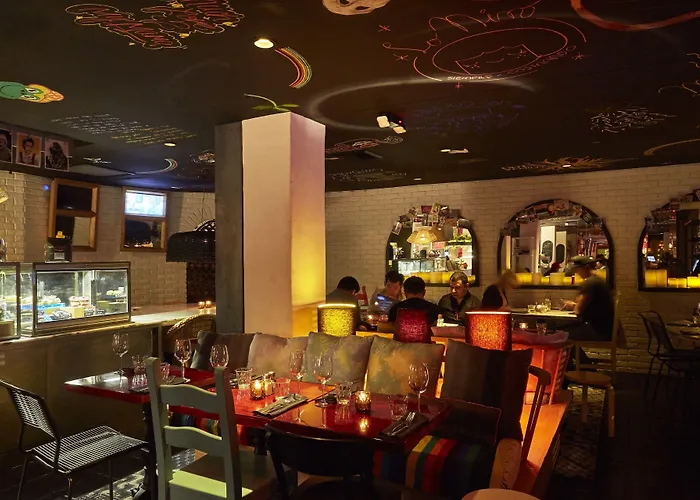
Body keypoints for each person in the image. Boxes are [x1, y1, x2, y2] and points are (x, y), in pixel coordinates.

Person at [563, 255, 615, 341]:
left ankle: (574, 350)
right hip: (605, 329)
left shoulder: (590, 283)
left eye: (578, 269)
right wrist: (574, 304)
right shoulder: (597, 280)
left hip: (597, 330)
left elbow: (578, 311)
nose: (577, 273)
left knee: (560, 334)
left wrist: (575, 306)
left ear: (586, 267)